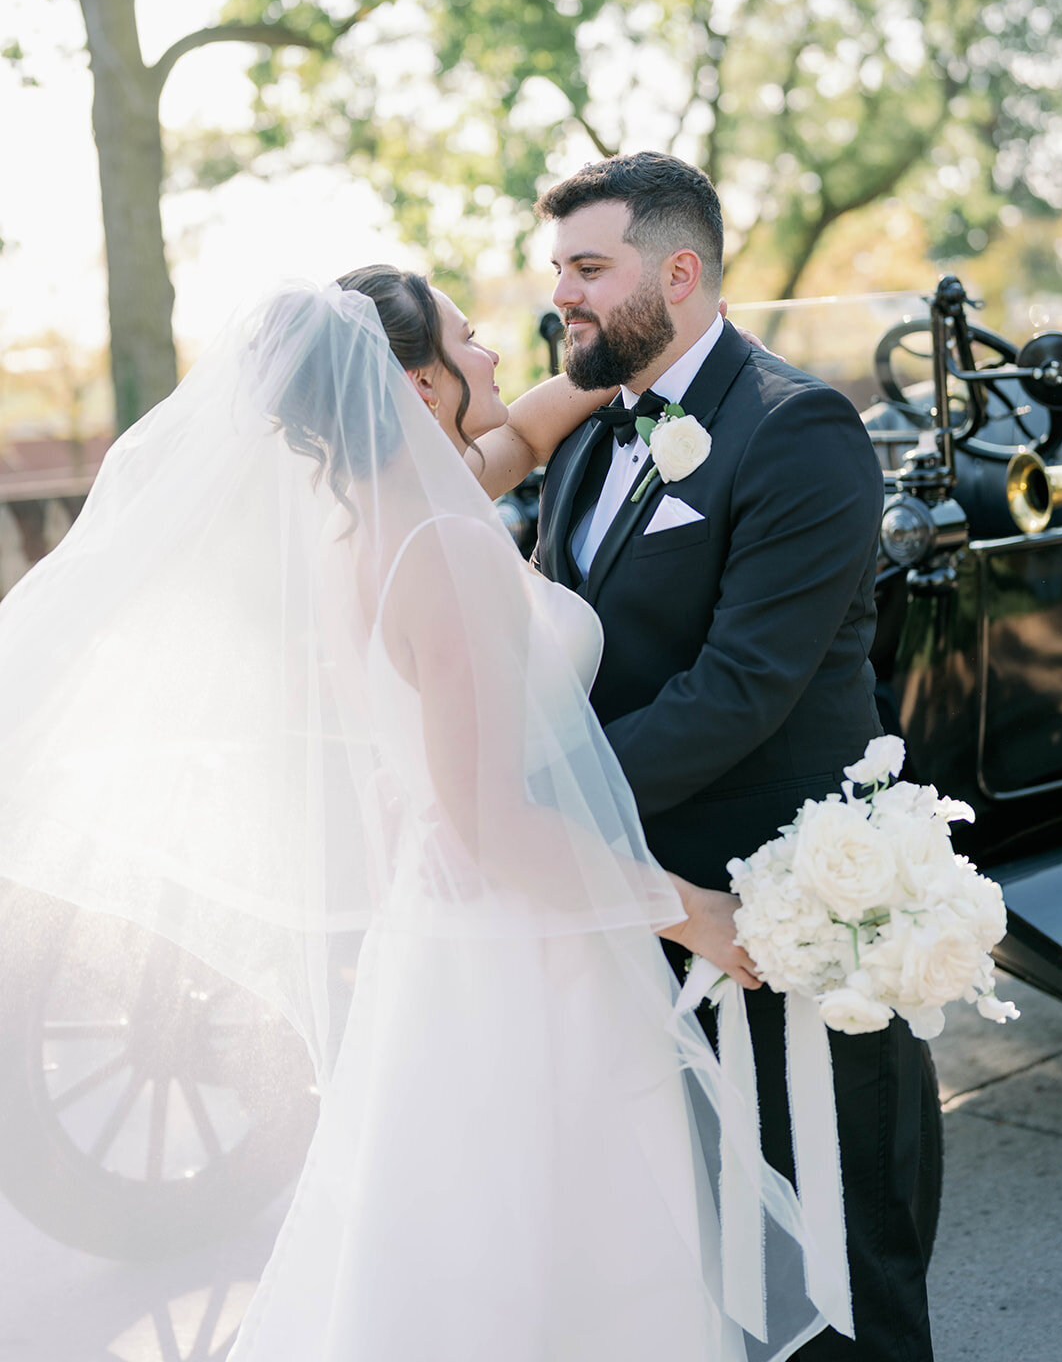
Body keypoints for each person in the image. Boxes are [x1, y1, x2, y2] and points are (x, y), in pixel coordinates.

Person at [0, 269, 848, 1360]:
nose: (496, 355)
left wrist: (622, 365)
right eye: (470, 340)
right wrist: (695, 915)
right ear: (417, 384)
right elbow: (493, 822)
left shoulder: (367, 522)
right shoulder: (441, 551)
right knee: (555, 1257)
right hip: (518, 956)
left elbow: (518, 432)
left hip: (443, 943)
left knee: (451, 1246)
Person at [533, 151, 934, 1362]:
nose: (566, 295)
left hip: (781, 914)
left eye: (589, 268)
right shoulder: (595, 435)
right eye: (558, 270)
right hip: (641, 918)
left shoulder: (792, 426)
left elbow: (742, 685)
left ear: (681, 270)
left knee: (843, 1250)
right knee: (689, 1254)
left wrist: (547, 805)